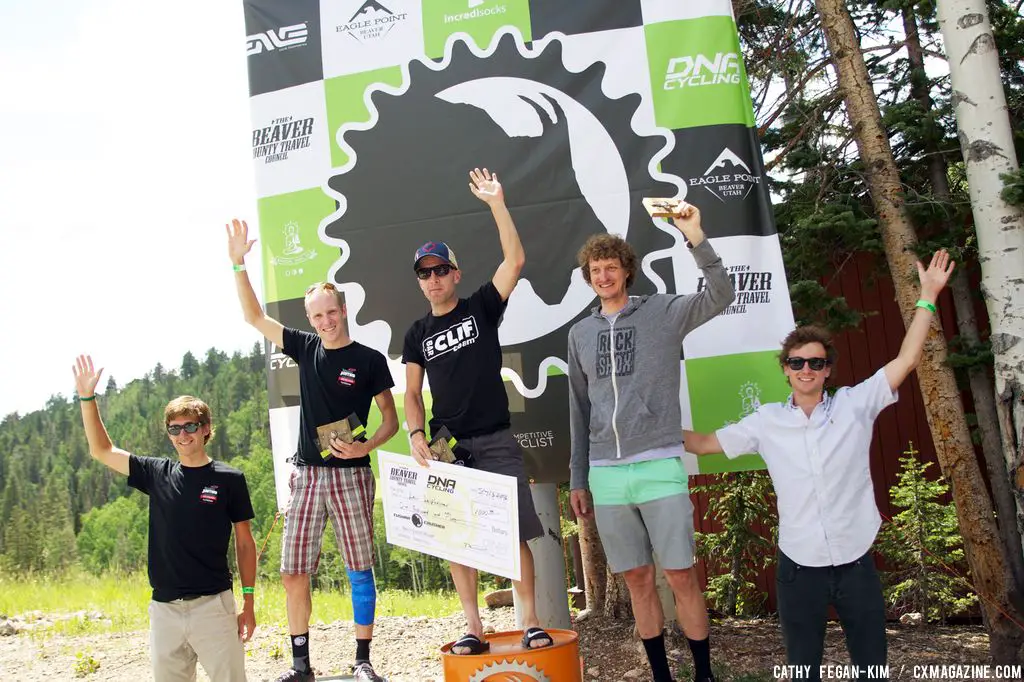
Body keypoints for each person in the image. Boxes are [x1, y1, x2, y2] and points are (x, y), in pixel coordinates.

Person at [683, 250, 955, 680]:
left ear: (828, 370)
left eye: (816, 362)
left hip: (856, 562)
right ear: (786, 370)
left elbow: (905, 361)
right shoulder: (766, 420)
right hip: (798, 567)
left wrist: (927, 297)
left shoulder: (855, 404)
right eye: (797, 363)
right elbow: (700, 443)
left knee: (872, 669)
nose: (806, 369)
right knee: (802, 670)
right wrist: (642, 425)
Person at [566, 201, 734, 682]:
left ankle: (704, 675)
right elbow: (579, 409)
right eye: (595, 270)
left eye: (611, 268)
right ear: (588, 276)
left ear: (626, 272)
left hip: (659, 464)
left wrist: (695, 236)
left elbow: (721, 293)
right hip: (607, 474)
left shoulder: (662, 312)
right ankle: (661, 677)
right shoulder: (580, 334)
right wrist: (580, 477)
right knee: (638, 579)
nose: (604, 276)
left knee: (681, 575)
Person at [226, 219, 399, 682]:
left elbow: (391, 420)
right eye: (317, 316)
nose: (325, 322)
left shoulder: (369, 359)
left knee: (359, 569)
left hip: (352, 475)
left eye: (331, 313)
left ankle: (363, 660)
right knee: (292, 571)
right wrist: (238, 263)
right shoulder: (305, 347)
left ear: (344, 310)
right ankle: (301, 666)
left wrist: (367, 444)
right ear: (311, 320)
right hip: (308, 475)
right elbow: (253, 317)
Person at [402, 167, 552, 655]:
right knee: (455, 538)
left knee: (514, 534)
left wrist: (497, 204)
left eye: (439, 269)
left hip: (495, 437)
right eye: (424, 273)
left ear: (455, 274)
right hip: (448, 447)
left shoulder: (481, 307)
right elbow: (410, 392)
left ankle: (530, 621)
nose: (432, 279)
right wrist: (415, 432)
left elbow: (516, 258)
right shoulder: (415, 333)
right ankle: (474, 627)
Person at [73, 355, 256, 682]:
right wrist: (87, 399)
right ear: (169, 433)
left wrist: (249, 602)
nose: (183, 434)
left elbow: (245, 543)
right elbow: (101, 450)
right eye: (175, 428)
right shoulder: (156, 472)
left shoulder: (230, 479)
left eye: (190, 426)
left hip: (214, 607)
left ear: (206, 429)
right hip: (165, 611)